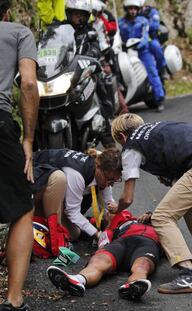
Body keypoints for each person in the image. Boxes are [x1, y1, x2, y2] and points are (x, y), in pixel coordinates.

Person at [110, 113, 192, 294]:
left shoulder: (131, 145)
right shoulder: (155, 128)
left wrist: (117, 208)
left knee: (162, 217)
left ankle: (188, 274)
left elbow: (127, 198)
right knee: (186, 200)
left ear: (122, 137)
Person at [0, 0, 39, 310]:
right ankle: (13, 298)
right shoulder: (18, 33)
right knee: (23, 207)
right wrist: (28, 138)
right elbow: (27, 83)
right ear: (7, 11)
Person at [46, 210, 162, 301]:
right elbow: (100, 238)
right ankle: (77, 280)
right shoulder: (111, 229)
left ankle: (134, 286)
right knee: (99, 260)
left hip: (148, 243)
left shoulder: (158, 224)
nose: (108, 213)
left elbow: (168, 224)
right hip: (122, 242)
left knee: (142, 265)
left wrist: (152, 216)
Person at [33, 148, 122, 242]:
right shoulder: (77, 175)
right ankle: (37, 218)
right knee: (73, 234)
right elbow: (72, 212)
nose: (109, 184)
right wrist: (98, 234)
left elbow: (108, 203)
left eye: (114, 181)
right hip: (34, 181)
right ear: (98, 166)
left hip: (52, 188)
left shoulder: (104, 169)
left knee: (76, 231)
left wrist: (114, 214)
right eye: (108, 179)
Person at [64, 0, 116, 148]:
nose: (78, 17)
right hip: (65, 73)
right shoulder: (60, 29)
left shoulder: (90, 32)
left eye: (81, 14)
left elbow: (96, 49)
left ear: (86, 16)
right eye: (75, 14)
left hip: (86, 72)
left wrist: (91, 56)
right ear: (69, 14)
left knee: (100, 89)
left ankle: (108, 137)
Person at [118, 0, 165, 112]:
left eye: (135, 8)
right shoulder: (120, 22)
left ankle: (159, 99)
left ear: (138, 9)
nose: (133, 11)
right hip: (125, 51)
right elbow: (117, 36)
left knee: (152, 72)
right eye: (130, 9)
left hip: (143, 50)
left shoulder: (143, 21)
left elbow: (145, 36)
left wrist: (138, 45)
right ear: (126, 9)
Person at [136, 0, 168, 78]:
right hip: (136, 40)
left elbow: (155, 25)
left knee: (156, 46)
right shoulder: (131, 13)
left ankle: (162, 68)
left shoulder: (151, 11)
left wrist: (145, 25)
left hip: (150, 39)